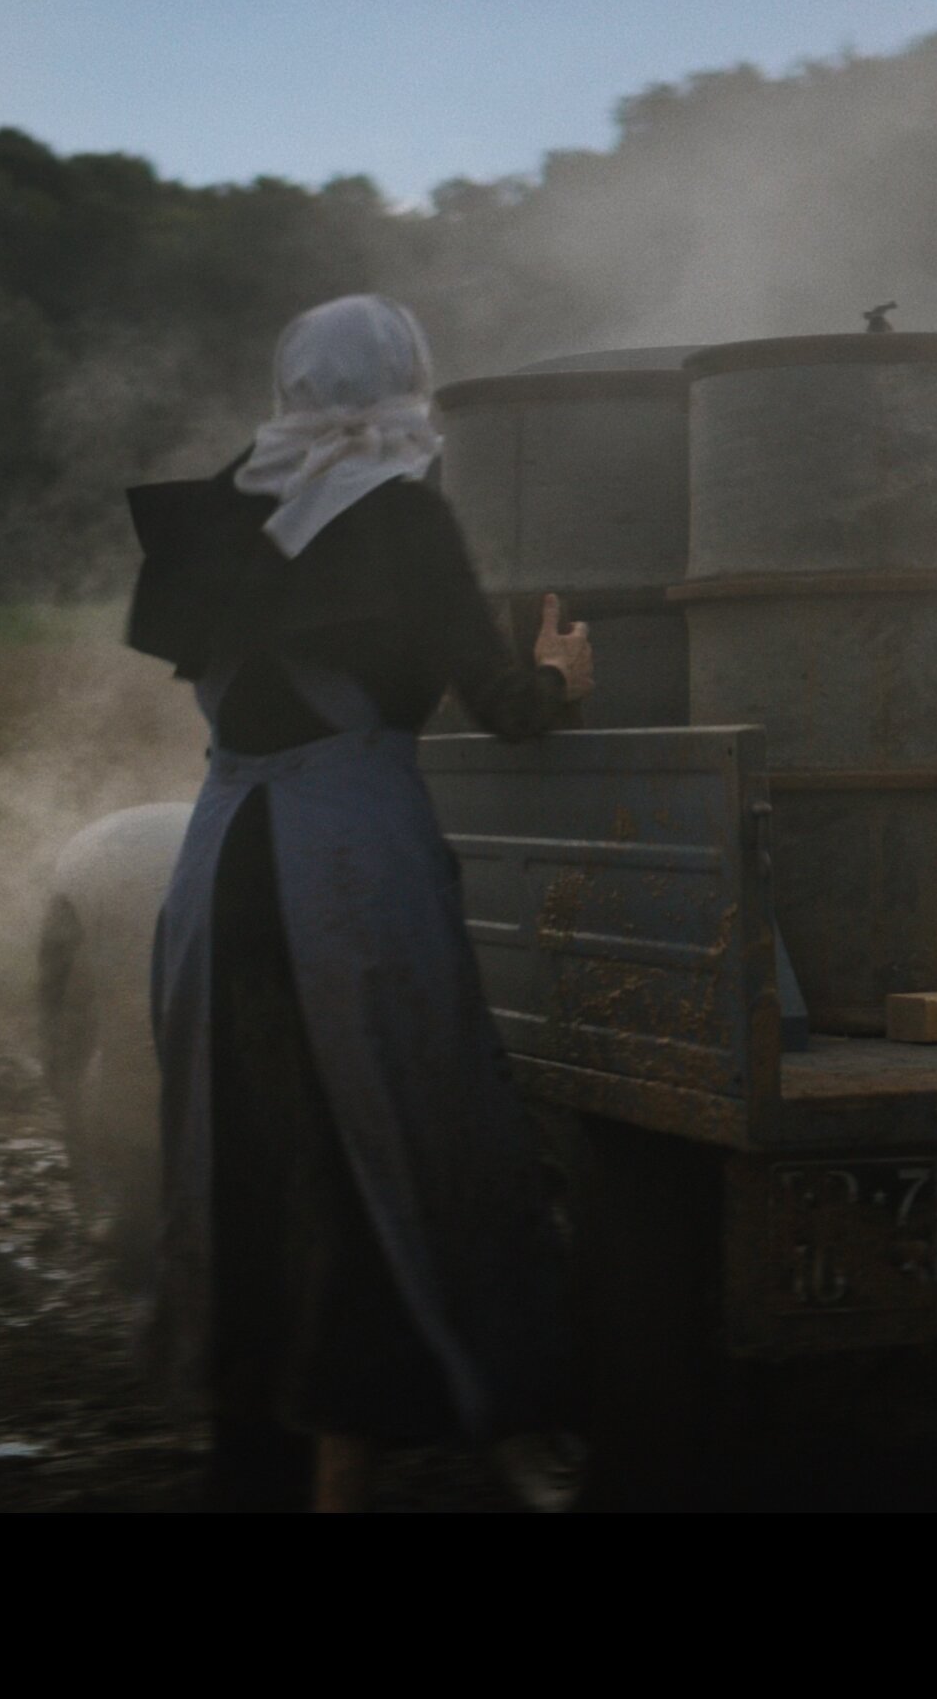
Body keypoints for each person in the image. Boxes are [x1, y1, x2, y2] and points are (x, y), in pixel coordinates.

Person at [126, 293, 592, 1513]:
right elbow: (507, 707)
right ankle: (345, 1472)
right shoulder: (402, 514)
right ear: (405, 384)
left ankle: (249, 1464)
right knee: (365, 1155)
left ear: (292, 388)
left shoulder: (225, 511)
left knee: (244, 1155)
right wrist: (558, 674)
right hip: (343, 875)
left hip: (218, 868)